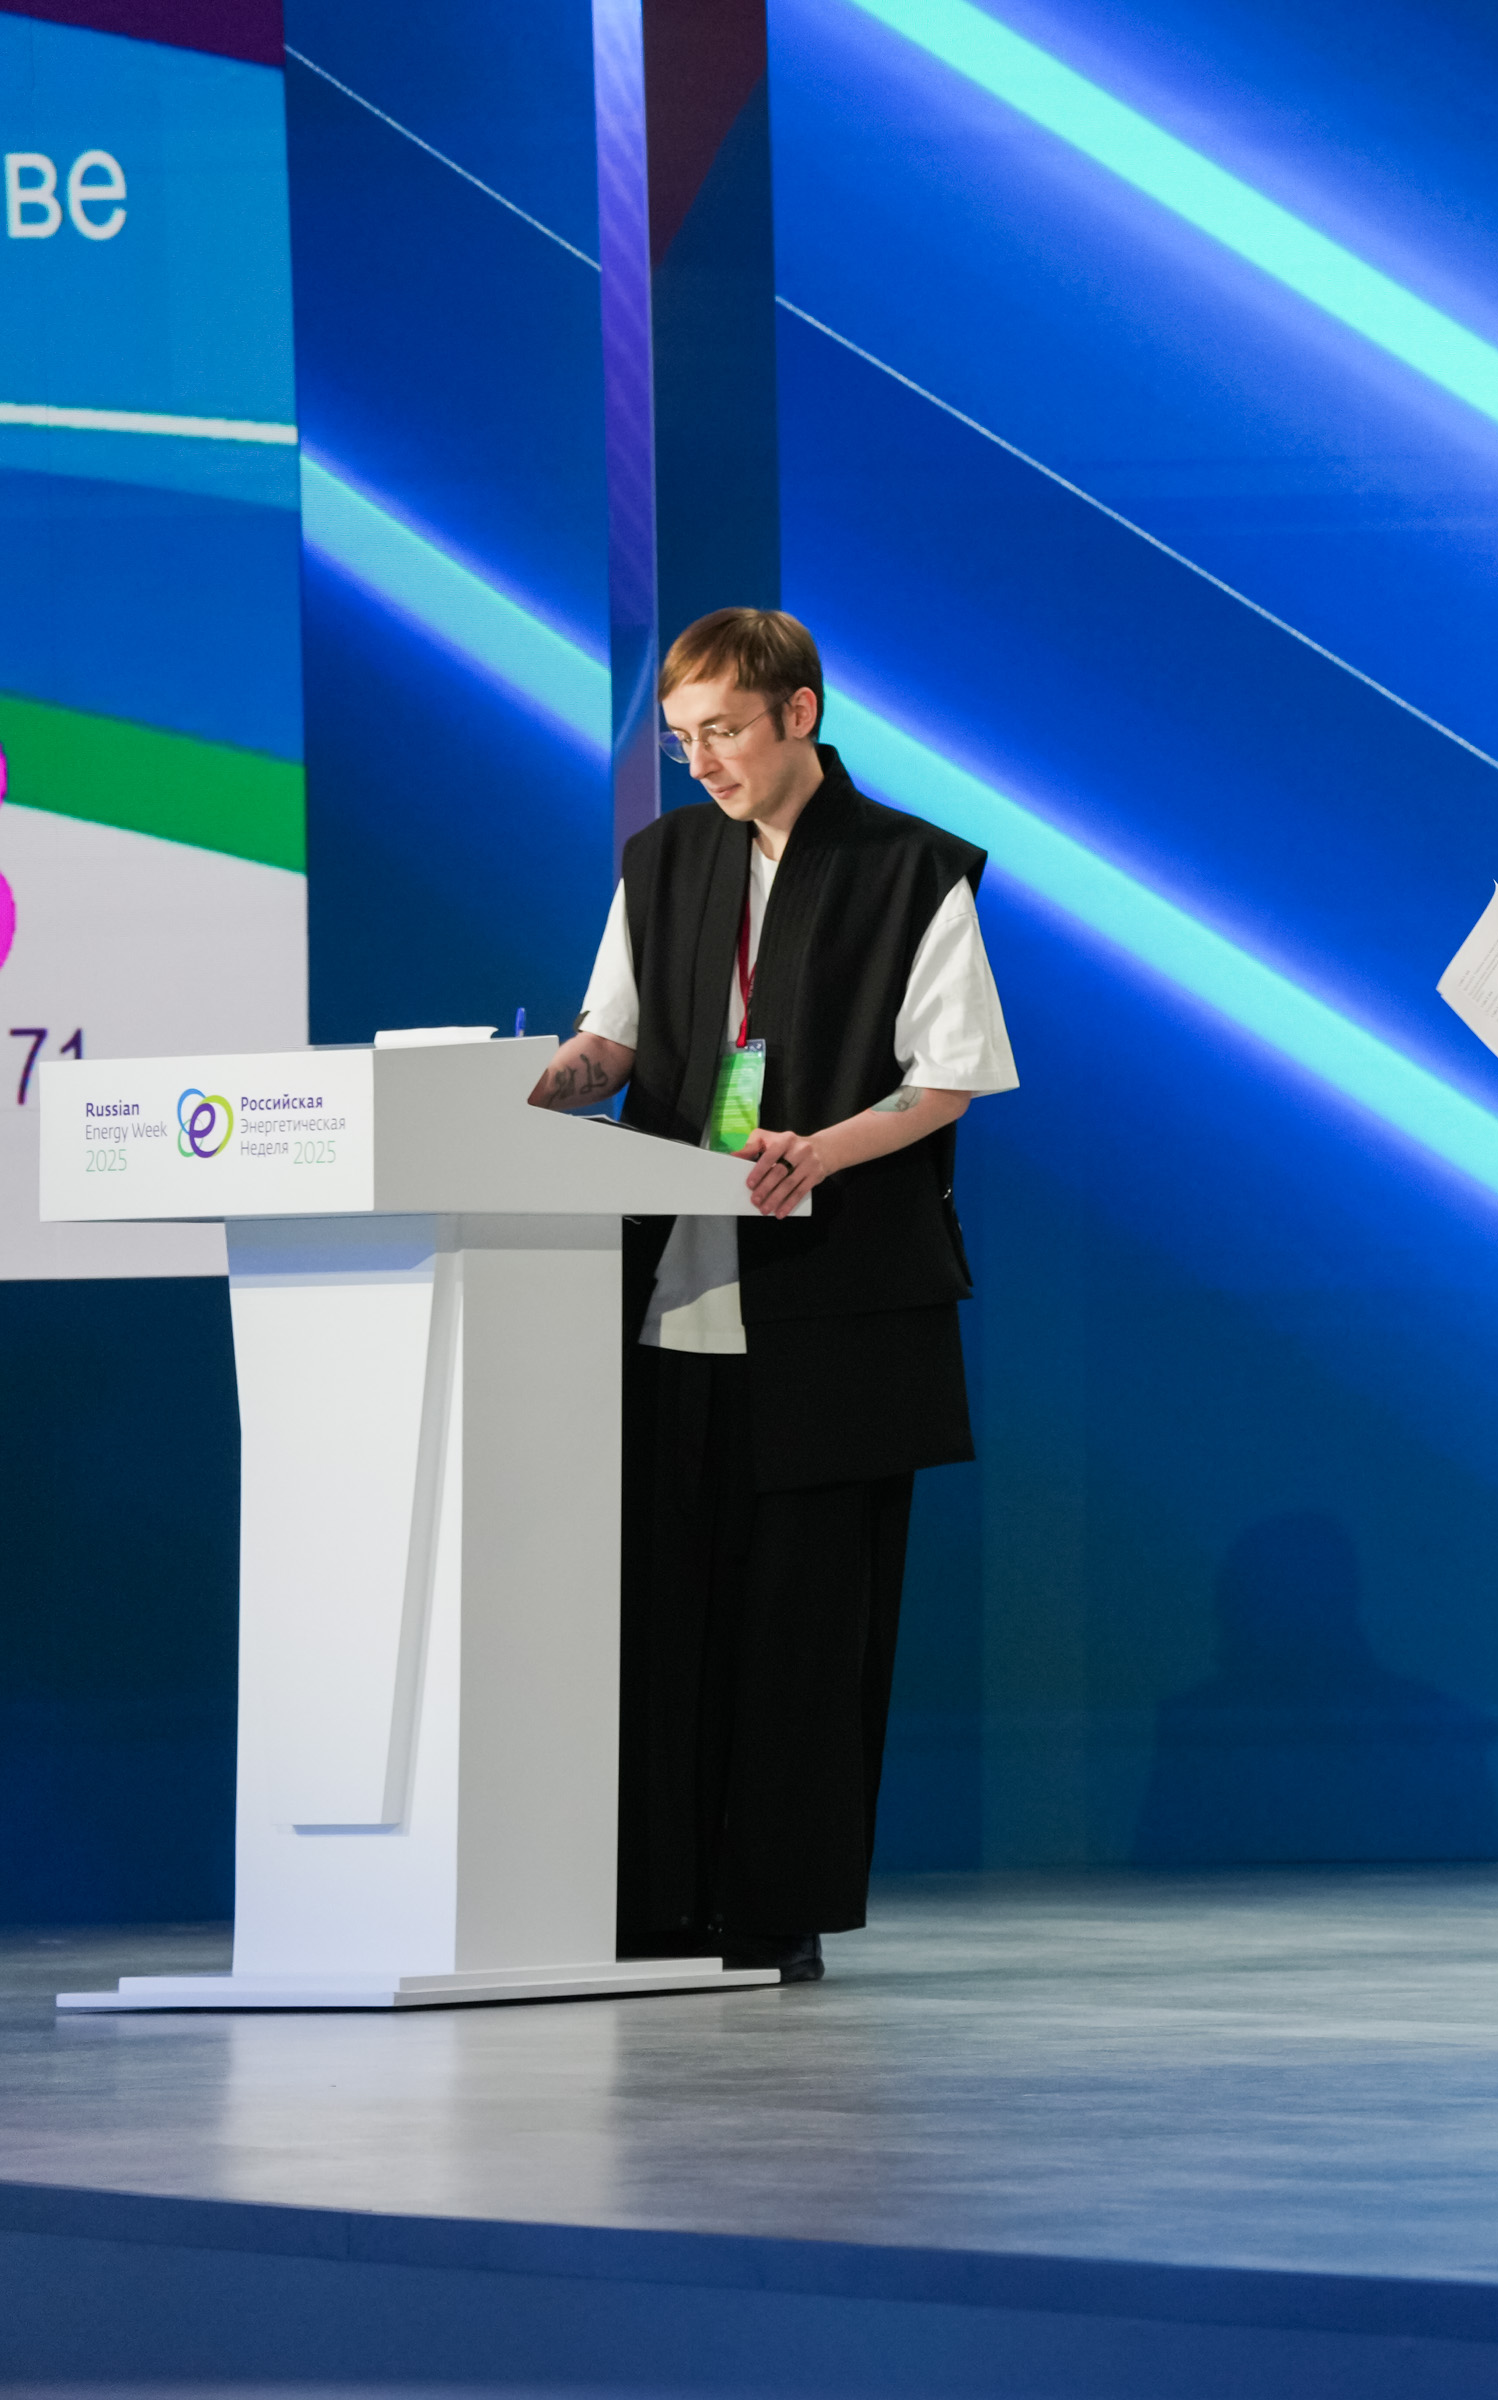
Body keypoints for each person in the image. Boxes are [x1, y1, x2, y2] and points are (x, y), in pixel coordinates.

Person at [523, 607, 1017, 1982]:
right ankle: (652, 1906)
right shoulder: (664, 861)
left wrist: (820, 1152)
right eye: (683, 740)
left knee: (809, 1617)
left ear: (800, 714)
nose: (704, 764)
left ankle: (771, 1912)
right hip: (673, 1286)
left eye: (725, 732)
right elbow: (612, 1037)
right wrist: (529, 1086)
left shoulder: (911, 867)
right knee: (659, 1606)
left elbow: (948, 1079)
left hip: (837, 1293)